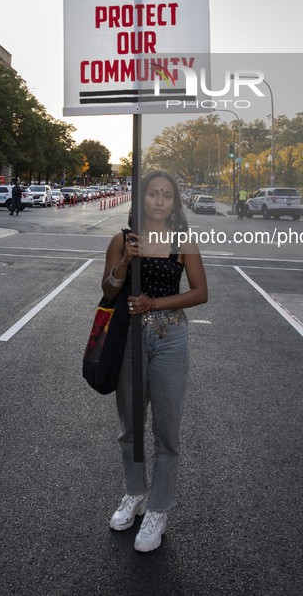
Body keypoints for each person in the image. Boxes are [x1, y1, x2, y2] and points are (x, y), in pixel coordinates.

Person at [101, 170, 208, 552]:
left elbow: (200, 292)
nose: (160, 200)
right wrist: (126, 262)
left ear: (174, 202)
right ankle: (135, 494)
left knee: (167, 432)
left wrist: (154, 303)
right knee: (130, 427)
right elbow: (108, 288)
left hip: (170, 337)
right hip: (129, 338)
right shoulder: (122, 240)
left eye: (167, 195)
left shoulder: (183, 241)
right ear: (141, 198)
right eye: (153, 194)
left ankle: (159, 509)